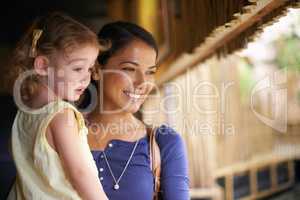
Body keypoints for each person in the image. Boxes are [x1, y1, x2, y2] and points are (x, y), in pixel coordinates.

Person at [7, 12, 108, 200]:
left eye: (89, 68)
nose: (86, 77)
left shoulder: (24, 113)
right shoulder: (62, 114)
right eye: (78, 68)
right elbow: (80, 173)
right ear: (43, 65)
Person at [87, 21, 190, 200]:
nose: (143, 83)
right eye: (129, 69)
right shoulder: (63, 131)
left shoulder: (164, 142)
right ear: (96, 70)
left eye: (150, 72)